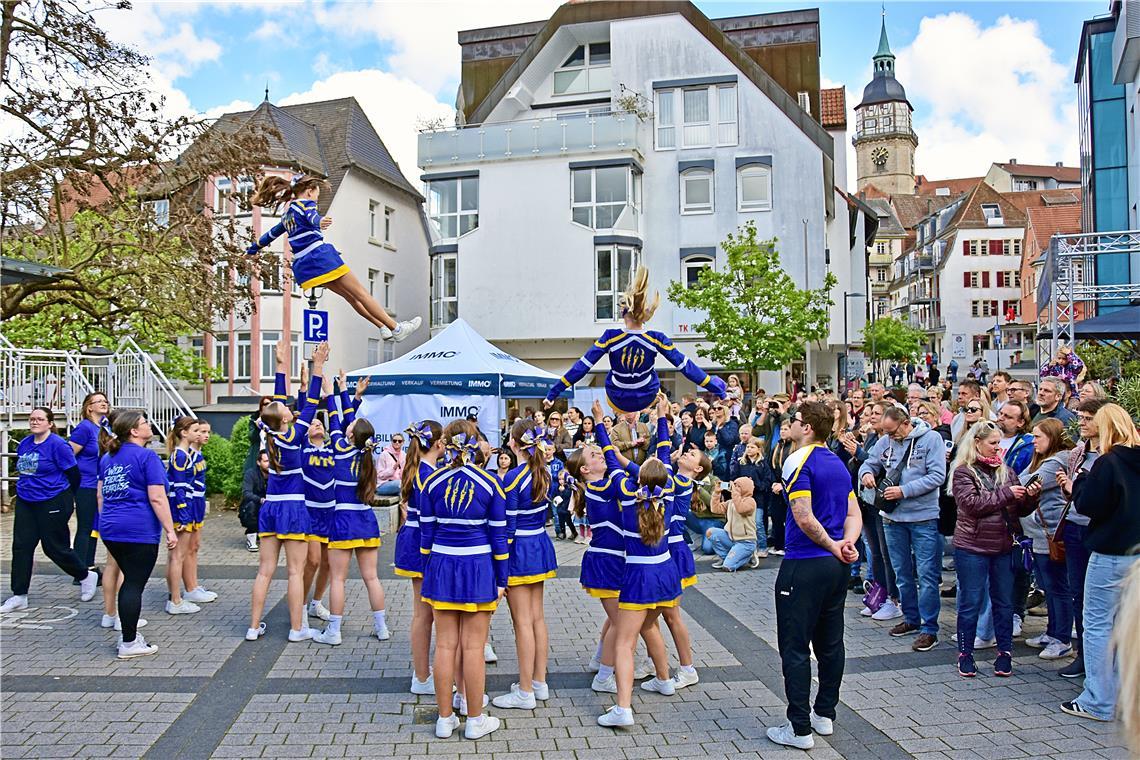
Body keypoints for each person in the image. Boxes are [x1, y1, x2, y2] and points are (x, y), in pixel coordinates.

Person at [767, 401, 862, 750]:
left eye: (793, 421)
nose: (787, 425)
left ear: (806, 427)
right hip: (834, 566)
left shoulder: (798, 458)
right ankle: (824, 714)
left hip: (805, 562)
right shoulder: (837, 461)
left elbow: (804, 517)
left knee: (794, 647)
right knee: (830, 643)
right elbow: (854, 513)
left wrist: (836, 544)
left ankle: (799, 728)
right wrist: (845, 544)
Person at [589, 402, 680, 728]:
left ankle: (623, 709)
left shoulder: (627, 492)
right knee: (650, 626)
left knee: (625, 643)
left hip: (640, 574)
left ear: (639, 475)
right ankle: (665, 679)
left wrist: (600, 423)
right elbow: (665, 451)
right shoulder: (668, 488)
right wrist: (662, 418)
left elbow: (610, 454)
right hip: (667, 572)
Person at [246, 174, 420, 341]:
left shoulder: (287, 215)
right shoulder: (306, 204)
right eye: (316, 195)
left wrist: (252, 250)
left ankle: (381, 326)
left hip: (306, 267)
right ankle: (397, 328)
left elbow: (269, 235)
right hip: (320, 257)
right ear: (309, 191)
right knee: (361, 293)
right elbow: (312, 216)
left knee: (350, 297)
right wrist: (319, 221)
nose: (316, 199)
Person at [419, 421, 508, 740]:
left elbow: (425, 535)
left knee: (443, 645)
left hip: (441, 564)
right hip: (478, 567)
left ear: (447, 444)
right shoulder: (491, 484)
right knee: (473, 647)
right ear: (476, 443)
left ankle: (444, 719)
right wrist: (502, 579)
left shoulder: (432, 482)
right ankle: (474, 719)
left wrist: (430, 567)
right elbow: (500, 538)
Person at [544, 266, 726, 414]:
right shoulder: (657, 338)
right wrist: (716, 388)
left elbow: (582, 367)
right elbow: (686, 367)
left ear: (624, 314)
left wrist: (553, 393)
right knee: (651, 372)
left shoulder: (610, 337)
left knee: (613, 372)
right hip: (646, 396)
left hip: (617, 398)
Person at [1061, 403, 1140, 722]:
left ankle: (1097, 700)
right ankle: (1124, 694)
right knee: (1127, 626)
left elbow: (1091, 505)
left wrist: (1075, 484)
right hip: (1135, 553)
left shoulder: (1109, 462)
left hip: (1110, 553)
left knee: (1095, 624)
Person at [246, 339, 325, 643]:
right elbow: (312, 400)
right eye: (286, 409)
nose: (290, 407)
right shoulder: (295, 435)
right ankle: (297, 628)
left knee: (264, 571)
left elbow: (280, 398)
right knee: (295, 572)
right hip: (293, 507)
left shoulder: (269, 434)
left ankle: (254, 627)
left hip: (270, 507)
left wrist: (281, 365)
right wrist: (317, 365)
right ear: (285, 418)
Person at [949, 419, 1036, 677]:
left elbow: (1018, 511)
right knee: (970, 602)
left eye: (1000, 443)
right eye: (993, 443)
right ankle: (965, 654)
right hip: (972, 547)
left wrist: (1031, 496)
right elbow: (972, 505)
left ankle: (1005, 653)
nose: (998, 449)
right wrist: (1010, 494)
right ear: (977, 443)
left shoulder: (1006, 471)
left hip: (1003, 546)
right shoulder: (963, 471)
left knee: (1004, 602)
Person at [91, 410, 180, 658]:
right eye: (144, 423)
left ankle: (127, 633)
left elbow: (100, 495)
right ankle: (129, 642)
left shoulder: (108, 458)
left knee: (129, 579)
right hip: (138, 529)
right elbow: (157, 497)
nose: (149, 425)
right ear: (133, 431)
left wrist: (108, 520)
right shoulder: (146, 457)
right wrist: (170, 530)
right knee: (133, 584)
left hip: (111, 528)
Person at [858, 407, 947, 652]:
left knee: (927, 574)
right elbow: (869, 461)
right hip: (892, 517)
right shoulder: (886, 440)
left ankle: (930, 628)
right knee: (901, 572)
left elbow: (938, 475)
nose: (889, 437)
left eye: (892, 432)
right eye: (885, 433)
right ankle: (910, 618)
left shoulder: (931, 439)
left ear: (906, 423)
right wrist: (866, 474)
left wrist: (904, 491)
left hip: (923, 517)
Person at [1, 407, 99, 613]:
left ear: (50, 423)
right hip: (27, 501)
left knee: (54, 547)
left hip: (53, 499)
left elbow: (74, 475)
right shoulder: (26, 444)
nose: (34, 422)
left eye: (40, 419)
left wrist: (66, 498)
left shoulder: (58, 445)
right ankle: (19, 594)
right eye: (32, 419)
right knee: (21, 546)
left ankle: (85, 575)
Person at [312, 390, 390, 646]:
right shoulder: (368, 457)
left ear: (351, 435)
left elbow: (336, 418)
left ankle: (334, 631)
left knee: (338, 579)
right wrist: (345, 391)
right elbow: (345, 420)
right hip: (366, 521)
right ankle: (382, 627)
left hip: (343, 521)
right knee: (372, 578)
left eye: (352, 425)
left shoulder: (340, 450)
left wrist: (330, 390)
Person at [493, 421, 557, 711]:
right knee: (537, 618)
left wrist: (499, 567)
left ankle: (525, 691)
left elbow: (507, 528)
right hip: (539, 545)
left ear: (515, 444)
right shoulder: (543, 472)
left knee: (522, 623)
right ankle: (539, 682)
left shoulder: (512, 478)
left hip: (518, 550)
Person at [1055, 398, 1107, 679]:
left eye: (1088, 418)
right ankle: (1083, 655)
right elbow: (1075, 493)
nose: (1082, 423)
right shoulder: (1079, 452)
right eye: (1081, 418)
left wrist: (1076, 488)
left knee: (1102, 598)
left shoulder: (1113, 453)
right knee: (1079, 594)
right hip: (1075, 525)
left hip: (1102, 530)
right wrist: (1068, 488)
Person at [1019, 419, 1076, 660]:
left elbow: (1022, 483)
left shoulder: (1055, 462)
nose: (1033, 441)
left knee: (1057, 587)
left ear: (1052, 438)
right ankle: (1052, 631)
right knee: (1049, 586)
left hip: (1050, 534)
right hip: (1039, 535)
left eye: (1038, 437)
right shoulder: (1041, 460)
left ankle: (1062, 638)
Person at [396, 420, 444, 695]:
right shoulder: (429, 474)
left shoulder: (418, 468)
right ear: (438, 444)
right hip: (425, 541)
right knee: (429, 613)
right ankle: (424, 676)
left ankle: (423, 675)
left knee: (422, 612)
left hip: (413, 537)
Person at [299, 380, 334, 624]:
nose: (316, 424)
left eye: (320, 422)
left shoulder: (334, 448)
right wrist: (304, 388)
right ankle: (299, 604)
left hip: (331, 513)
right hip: (310, 512)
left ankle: (316, 603)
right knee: (312, 561)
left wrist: (335, 395)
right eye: (313, 423)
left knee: (329, 563)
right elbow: (304, 413)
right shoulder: (301, 446)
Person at [164, 416, 203, 615]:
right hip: (181, 508)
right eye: (195, 430)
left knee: (174, 556)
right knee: (177, 556)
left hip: (180, 507)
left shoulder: (182, 454)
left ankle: (174, 596)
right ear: (183, 433)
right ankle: (176, 600)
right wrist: (184, 513)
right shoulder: (180, 455)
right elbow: (179, 486)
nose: (198, 434)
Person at [68, 391, 110, 576]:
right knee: (85, 526)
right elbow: (68, 455)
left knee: (94, 526)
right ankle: (80, 571)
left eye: (105, 401)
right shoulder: (84, 428)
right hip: (85, 484)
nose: (103, 403)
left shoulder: (103, 428)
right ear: (89, 407)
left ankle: (89, 565)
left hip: (99, 485)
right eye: (98, 401)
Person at [705, 477, 759, 572]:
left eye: (738, 486)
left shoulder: (750, 501)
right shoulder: (731, 502)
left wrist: (735, 494)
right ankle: (726, 557)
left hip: (746, 542)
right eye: (734, 485)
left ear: (745, 488)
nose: (734, 488)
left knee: (728, 567)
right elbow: (715, 509)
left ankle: (747, 556)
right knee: (711, 532)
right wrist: (717, 493)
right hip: (731, 538)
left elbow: (741, 509)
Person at [731, 437, 773, 558]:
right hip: (742, 498)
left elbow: (767, 481)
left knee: (758, 522)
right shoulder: (741, 462)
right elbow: (734, 478)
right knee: (743, 522)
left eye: (752, 447)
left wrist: (755, 485)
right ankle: (746, 547)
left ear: (759, 449)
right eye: (748, 447)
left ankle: (763, 547)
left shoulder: (763, 464)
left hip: (758, 498)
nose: (749, 449)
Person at [768, 418, 795, 556]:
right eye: (782, 429)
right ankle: (778, 544)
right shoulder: (776, 447)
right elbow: (770, 467)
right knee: (776, 516)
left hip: (788, 486)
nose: (783, 432)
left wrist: (783, 486)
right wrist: (773, 482)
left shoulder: (795, 447)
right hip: (776, 485)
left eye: (786, 429)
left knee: (787, 517)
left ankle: (786, 545)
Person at [240, 451, 269, 552]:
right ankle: (251, 538)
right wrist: (260, 499)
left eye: (271, 460)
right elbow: (246, 493)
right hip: (254, 505)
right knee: (251, 505)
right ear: (258, 462)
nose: (269, 464)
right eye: (266, 461)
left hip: (270, 506)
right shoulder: (251, 474)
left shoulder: (275, 474)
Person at [375, 431, 405, 498]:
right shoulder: (384, 454)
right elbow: (380, 475)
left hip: (398, 484)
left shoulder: (403, 455)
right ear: (391, 442)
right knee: (400, 484)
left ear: (403, 442)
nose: (397, 442)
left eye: (399, 441)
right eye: (394, 441)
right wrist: (393, 468)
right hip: (383, 485)